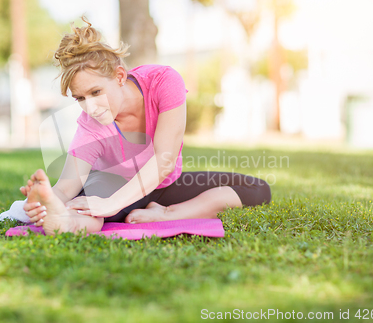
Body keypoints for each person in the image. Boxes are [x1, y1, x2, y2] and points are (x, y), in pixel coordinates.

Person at [20, 17, 271, 236]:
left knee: (257, 189)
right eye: (81, 98)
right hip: (112, 185)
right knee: (88, 209)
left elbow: (165, 161)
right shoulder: (90, 125)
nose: (91, 107)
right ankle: (63, 223)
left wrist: (112, 205)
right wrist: (47, 201)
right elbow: (67, 186)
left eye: (96, 92)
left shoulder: (163, 81)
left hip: (163, 186)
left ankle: (167, 214)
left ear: (119, 76)